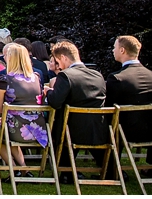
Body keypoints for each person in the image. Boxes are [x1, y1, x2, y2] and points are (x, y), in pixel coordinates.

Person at [43, 40, 108, 183]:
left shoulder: (66, 76)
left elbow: (55, 102)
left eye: (58, 62)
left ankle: (66, 172)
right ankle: (109, 169)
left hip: (70, 130)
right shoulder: (98, 75)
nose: (58, 67)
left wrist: (48, 92)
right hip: (98, 128)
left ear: (64, 58)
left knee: (58, 124)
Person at [105, 35, 152, 171]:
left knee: (106, 121)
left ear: (122, 50)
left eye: (114, 47)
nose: (112, 50)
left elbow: (108, 109)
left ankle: (111, 169)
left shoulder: (117, 78)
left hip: (124, 132)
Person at [0, 44, 46, 173]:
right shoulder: (36, 78)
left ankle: (13, 169)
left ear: (10, 58)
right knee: (3, 130)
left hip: (14, 129)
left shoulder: (5, 79)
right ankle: (23, 169)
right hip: (38, 129)